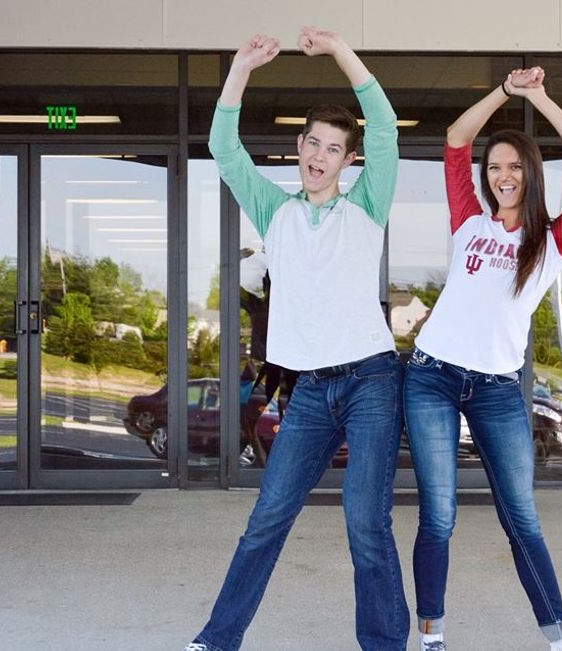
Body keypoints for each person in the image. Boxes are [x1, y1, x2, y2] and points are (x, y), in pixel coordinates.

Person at [185, 27, 409, 651]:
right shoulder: (274, 211)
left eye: (334, 149)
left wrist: (340, 52)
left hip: (370, 381)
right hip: (310, 391)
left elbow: (385, 129)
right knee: (266, 519)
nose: (320, 156)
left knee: (366, 524)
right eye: (313, 143)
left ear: (346, 162)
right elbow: (223, 148)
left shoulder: (366, 207)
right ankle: (216, 640)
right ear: (299, 146)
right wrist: (239, 69)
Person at [404, 66, 562, 651]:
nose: (503, 176)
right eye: (494, 167)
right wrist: (503, 91)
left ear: (531, 173)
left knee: (521, 518)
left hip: (496, 389)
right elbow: (455, 139)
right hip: (432, 377)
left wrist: (538, 98)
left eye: (514, 166)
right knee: (439, 516)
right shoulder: (468, 220)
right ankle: (432, 636)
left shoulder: (554, 240)